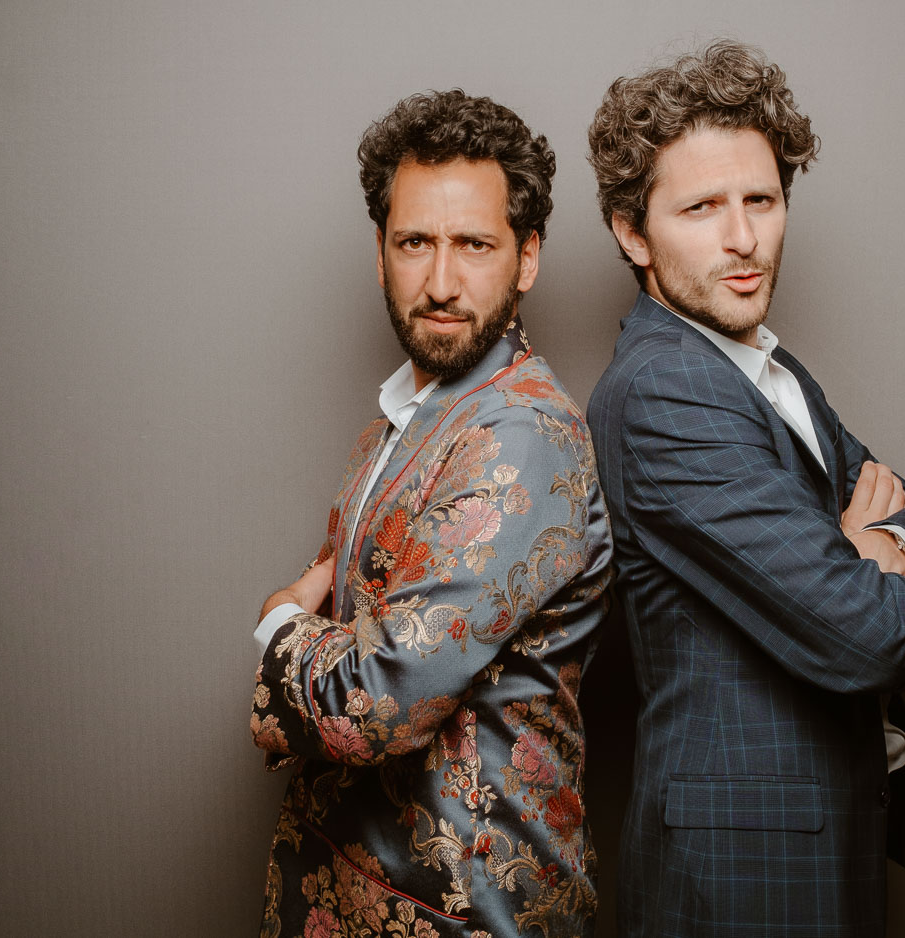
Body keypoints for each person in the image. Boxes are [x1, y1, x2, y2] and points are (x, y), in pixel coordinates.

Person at [585, 41, 905, 937]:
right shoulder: (663, 391)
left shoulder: (762, 367)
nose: (743, 237)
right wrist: (855, 558)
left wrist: (885, 549)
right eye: (702, 208)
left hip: (811, 846)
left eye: (761, 199)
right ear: (632, 232)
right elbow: (867, 637)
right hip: (737, 879)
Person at [249, 89, 611, 938]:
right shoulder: (408, 415)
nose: (441, 282)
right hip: (351, 890)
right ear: (380, 253)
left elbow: (380, 696)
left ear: (526, 258)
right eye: (416, 242)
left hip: (472, 914)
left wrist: (277, 629)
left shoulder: (523, 434)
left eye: (474, 245)